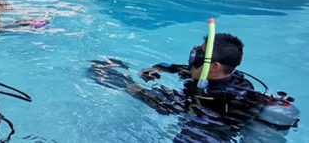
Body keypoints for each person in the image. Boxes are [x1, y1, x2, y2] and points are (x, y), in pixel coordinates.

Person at [90, 32, 298, 141]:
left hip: (204, 132)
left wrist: (125, 83)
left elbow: (164, 105)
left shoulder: (219, 99)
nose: (193, 58)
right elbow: (190, 71)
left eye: (199, 56)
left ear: (214, 67)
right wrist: (162, 68)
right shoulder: (233, 77)